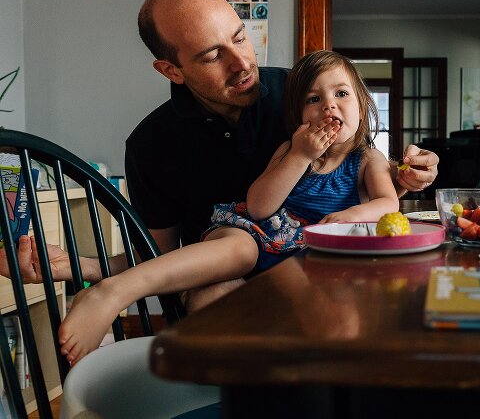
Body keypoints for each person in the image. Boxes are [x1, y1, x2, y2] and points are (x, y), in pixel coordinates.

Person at [1, 0, 437, 313]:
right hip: (228, 287)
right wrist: (80, 266)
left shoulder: (300, 94)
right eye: (213, 56)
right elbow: (157, 255)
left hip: (325, 279)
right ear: (170, 69)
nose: (243, 63)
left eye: (240, 37)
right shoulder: (153, 143)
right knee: (214, 299)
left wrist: (407, 174)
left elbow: (362, 176)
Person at [58, 49, 396, 364]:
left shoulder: (368, 158)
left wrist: (352, 215)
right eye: (313, 99)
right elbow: (259, 206)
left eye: (341, 94)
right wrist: (300, 155)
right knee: (237, 256)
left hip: (306, 264)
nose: (328, 106)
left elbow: (387, 202)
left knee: (337, 313)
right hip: (260, 233)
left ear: (362, 107)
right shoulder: (291, 151)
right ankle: (114, 290)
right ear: (297, 116)